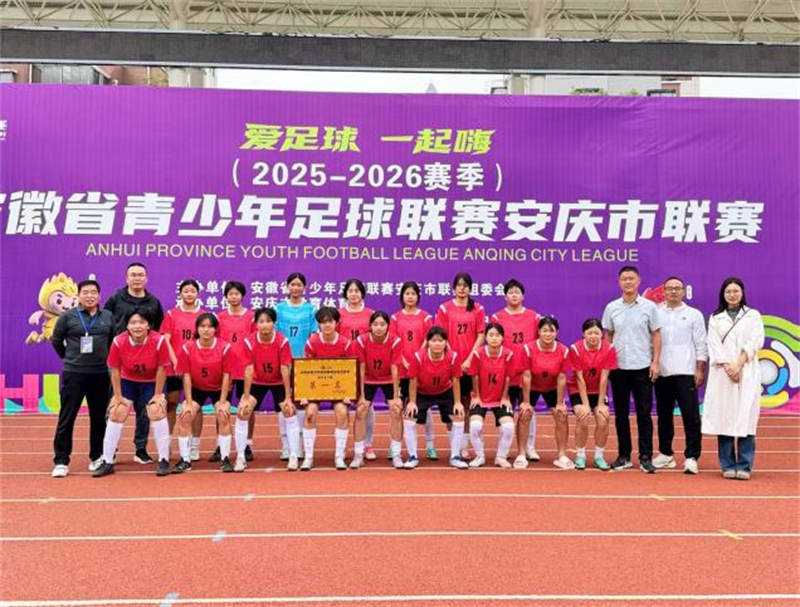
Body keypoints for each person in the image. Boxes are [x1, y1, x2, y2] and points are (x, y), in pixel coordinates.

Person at [93, 310, 171, 477]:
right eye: (133, 323)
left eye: (142, 322)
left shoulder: (158, 341)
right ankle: (107, 461)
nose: (137, 326)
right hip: (127, 381)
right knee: (116, 412)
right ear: (127, 326)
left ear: (148, 325)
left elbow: (161, 369)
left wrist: (158, 395)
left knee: (157, 411)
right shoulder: (118, 341)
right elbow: (115, 369)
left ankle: (164, 459)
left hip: (151, 382)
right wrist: (118, 396)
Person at [51, 279, 115, 478]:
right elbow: (56, 341)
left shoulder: (108, 316)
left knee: (99, 418)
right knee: (67, 417)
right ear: (78, 296)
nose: (89, 296)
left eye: (93, 292)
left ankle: (97, 456)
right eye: (85, 292)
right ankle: (61, 461)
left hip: (100, 374)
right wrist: (69, 358)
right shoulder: (68, 316)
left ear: (99, 296)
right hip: (74, 374)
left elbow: (113, 341)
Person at [702, 277, 764, 480]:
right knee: (725, 417)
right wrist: (729, 368)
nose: (732, 294)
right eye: (728, 291)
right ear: (723, 294)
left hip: (747, 370)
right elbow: (713, 344)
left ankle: (744, 465)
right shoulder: (715, 317)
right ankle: (727, 464)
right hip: (723, 373)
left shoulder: (752, 315)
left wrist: (739, 364)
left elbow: (755, 341)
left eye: (736, 291)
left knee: (746, 417)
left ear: (742, 293)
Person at [103, 262, 165, 465]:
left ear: (146, 279)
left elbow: (158, 329)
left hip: (147, 365)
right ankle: (110, 453)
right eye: (133, 275)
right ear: (126, 278)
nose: (137, 278)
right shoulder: (115, 299)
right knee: (116, 407)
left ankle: (141, 449)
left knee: (146, 411)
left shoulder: (153, 302)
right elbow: (106, 323)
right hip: (122, 362)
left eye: (140, 275)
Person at [602, 266, 662, 473]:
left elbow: (656, 335)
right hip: (618, 368)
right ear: (619, 282)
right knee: (621, 414)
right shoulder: (611, 307)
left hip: (642, 366)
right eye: (624, 279)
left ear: (638, 281)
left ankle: (645, 457)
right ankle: (624, 456)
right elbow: (608, 336)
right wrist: (607, 362)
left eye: (631, 278)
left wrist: (655, 362)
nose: (628, 282)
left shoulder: (649, 307)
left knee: (644, 413)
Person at [653, 277, 708, 474]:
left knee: (691, 416)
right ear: (664, 292)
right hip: (662, 373)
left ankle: (692, 457)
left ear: (684, 291)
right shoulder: (655, 312)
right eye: (669, 288)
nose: (673, 291)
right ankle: (665, 454)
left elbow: (701, 344)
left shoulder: (694, 314)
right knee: (664, 416)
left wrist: (699, 369)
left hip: (686, 373)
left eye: (677, 288)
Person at [171, 313, 233, 473]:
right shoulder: (188, 348)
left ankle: (225, 459)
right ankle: (185, 460)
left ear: (215, 329)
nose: (206, 330)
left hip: (218, 389)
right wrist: (188, 402)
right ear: (197, 329)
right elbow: (186, 376)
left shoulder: (225, 347)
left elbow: (227, 376)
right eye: (202, 326)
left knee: (223, 415)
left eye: (210, 326)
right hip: (197, 388)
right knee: (185, 415)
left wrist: (222, 402)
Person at [490, 279, 541, 463]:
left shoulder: (534, 317)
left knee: (528, 411)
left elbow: (539, 343)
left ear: (523, 296)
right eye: (510, 292)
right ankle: (504, 449)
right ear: (505, 296)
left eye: (517, 292)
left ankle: (529, 448)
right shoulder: (497, 318)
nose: (514, 295)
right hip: (506, 373)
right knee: (506, 412)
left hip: (527, 373)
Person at [435, 273, 486, 460]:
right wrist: (453, 358)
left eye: (465, 285)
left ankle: (463, 446)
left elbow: (481, 335)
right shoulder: (444, 308)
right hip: (450, 363)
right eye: (459, 285)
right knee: (451, 406)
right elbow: (441, 336)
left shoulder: (478, 308)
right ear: (454, 287)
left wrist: (470, 358)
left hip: (470, 364)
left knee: (465, 404)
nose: (462, 288)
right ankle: (453, 445)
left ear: (470, 288)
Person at [239, 308, 295, 472]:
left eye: (268, 321)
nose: (265, 325)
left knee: (289, 410)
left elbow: (285, 369)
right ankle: (241, 457)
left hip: (278, 382)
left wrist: (288, 397)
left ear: (274, 323)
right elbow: (249, 370)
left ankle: (293, 455)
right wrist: (245, 397)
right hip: (258, 382)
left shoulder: (282, 341)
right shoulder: (249, 342)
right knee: (243, 411)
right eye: (261, 322)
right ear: (256, 324)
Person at [403, 327, 467, 469]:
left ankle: (455, 456)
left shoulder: (453, 357)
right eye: (433, 341)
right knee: (408, 417)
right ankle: (413, 456)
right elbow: (412, 380)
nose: (437, 344)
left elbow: (456, 379)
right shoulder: (418, 357)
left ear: (446, 342)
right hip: (422, 392)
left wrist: (457, 402)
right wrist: (412, 402)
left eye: (440, 341)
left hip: (445, 391)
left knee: (458, 416)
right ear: (427, 342)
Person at [302, 307, 354, 471]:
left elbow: (350, 370)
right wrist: (304, 393)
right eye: (323, 322)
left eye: (330, 321)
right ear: (318, 324)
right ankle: (308, 457)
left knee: (342, 412)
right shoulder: (312, 342)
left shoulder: (345, 343)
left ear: (336, 323)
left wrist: (348, 393)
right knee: (310, 413)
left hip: (338, 389)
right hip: (316, 388)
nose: (327, 325)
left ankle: (339, 456)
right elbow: (305, 369)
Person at [389, 282, 437, 461]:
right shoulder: (395, 318)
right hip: (401, 369)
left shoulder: (425, 317)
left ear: (418, 296)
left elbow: (428, 341)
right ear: (402, 296)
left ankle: (430, 445)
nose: (410, 297)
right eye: (407, 293)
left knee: (425, 408)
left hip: (421, 368)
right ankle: (394, 444)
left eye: (413, 294)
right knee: (398, 409)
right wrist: (403, 361)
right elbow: (394, 341)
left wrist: (416, 359)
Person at [160, 280, 204, 458]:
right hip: (175, 368)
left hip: (197, 368)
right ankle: (167, 444)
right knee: (171, 404)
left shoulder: (204, 316)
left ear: (198, 294)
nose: (189, 294)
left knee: (195, 406)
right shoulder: (171, 314)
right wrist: (176, 363)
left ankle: (194, 446)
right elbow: (166, 341)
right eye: (186, 291)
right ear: (180, 294)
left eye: (192, 291)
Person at [567, 318, 617, 471]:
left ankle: (599, 457)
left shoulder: (609, 348)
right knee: (583, 417)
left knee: (603, 419)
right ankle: (580, 455)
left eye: (597, 333)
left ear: (602, 334)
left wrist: (601, 404)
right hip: (578, 389)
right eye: (590, 333)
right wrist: (585, 404)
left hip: (598, 390)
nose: (593, 336)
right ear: (584, 334)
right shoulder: (576, 349)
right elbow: (579, 378)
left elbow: (604, 377)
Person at [519, 316, 569, 469]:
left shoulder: (563, 350)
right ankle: (521, 454)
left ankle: (562, 455)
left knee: (561, 416)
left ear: (557, 332)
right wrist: (526, 402)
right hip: (532, 386)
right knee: (525, 414)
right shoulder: (528, 348)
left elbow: (562, 377)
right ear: (539, 332)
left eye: (551, 331)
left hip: (551, 387)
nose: (548, 334)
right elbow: (526, 376)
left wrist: (560, 403)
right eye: (545, 330)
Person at [354, 311, 402, 468]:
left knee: (396, 410)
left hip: (388, 378)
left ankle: (396, 453)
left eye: (382, 324)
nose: (379, 328)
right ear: (370, 326)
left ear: (388, 326)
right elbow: (361, 367)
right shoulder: (361, 340)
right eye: (375, 324)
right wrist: (361, 396)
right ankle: (358, 454)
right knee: (361, 410)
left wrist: (396, 396)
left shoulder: (395, 341)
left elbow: (395, 368)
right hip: (368, 378)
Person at [275, 272, 316, 460]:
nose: (296, 288)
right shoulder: (279, 309)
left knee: (300, 403)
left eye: (299, 285)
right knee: (284, 403)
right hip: (283, 363)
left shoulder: (310, 309)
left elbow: (314, 335)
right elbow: (274, 335)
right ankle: (286, 446)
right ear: (287, 286)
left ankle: (297, 445)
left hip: (302, 363)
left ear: (304, 288)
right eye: (292, 284)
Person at [215, 281, 255, 463]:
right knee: (222, 407)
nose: (234, 297)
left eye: (237, 293)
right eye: (230, 294)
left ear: (242, 296)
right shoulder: (220, 318)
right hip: (225, 370)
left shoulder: (251, 317)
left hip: (246, 368)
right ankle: (220, 445)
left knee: (247, 407)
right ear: (225, 296)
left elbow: (256, 342)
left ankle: (247, 444)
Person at [338, 278, 377, 460]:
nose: (353, 294)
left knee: (366, 406)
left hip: (366, 365)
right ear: (346, 293)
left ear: (362, 293)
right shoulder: (338, 314)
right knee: (343, 406)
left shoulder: (371, 314)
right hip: (344, 366)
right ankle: (343, 446)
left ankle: (367, 444)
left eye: (357, 291)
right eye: (350, 291)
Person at [468, 323, 516, 468]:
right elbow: (475, 376)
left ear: (502, 338)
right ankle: (480, 456)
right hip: (481, 397)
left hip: (499, 398)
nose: (494, 338)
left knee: (508, 426)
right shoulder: (478, 354)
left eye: (497, 335)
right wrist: (477, 397)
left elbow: (508, 377)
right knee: (475, 425)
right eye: (491, 335)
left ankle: (501, 457)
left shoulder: (508, 354)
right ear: (486, 337)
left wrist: (505, 397)